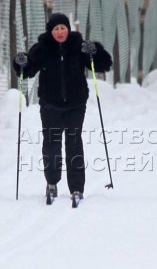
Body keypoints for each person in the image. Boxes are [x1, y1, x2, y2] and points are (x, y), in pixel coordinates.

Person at [13, 13, 112, 204]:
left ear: (69, 29)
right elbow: (27, 71)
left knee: (74, 144)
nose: (60, 32)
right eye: (56, 29)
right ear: (51, 31)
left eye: (63, 28)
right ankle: (52, 182)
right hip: (50, 105)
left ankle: (76, 187)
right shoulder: (42, 48)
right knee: (51, 144)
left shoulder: (78, 45)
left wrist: (95, 51)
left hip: (76, 104)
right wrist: (21, 62)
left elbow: (104, 65)